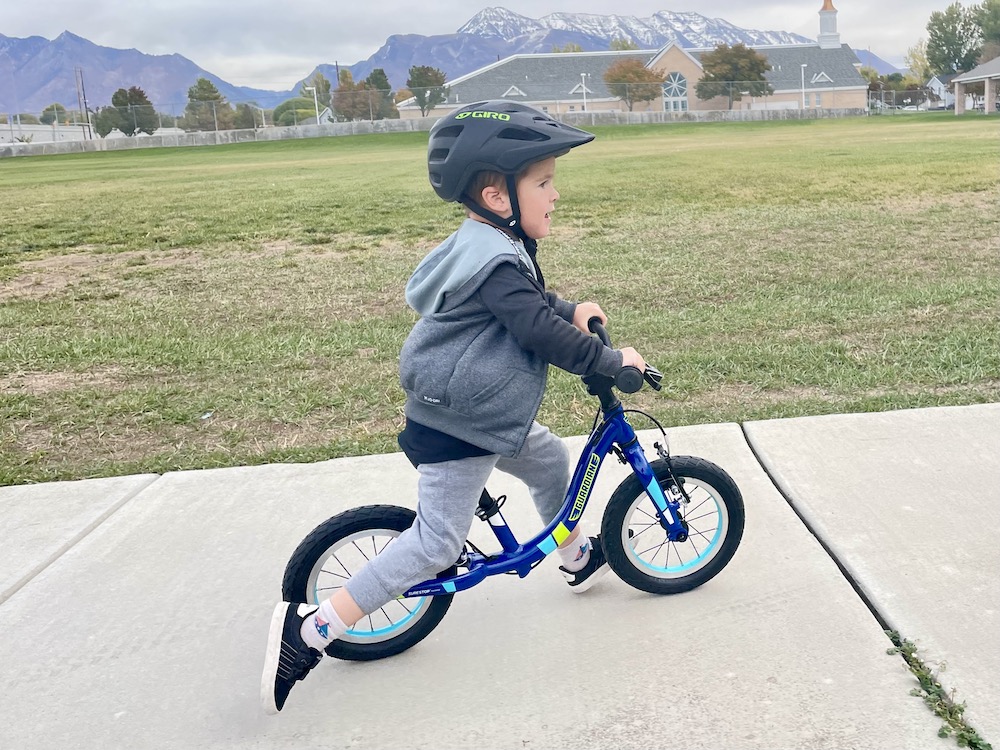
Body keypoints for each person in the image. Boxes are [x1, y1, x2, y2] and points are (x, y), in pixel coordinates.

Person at [261, 100, 646, 714]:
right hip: (460, 422)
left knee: (549, 460)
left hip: (485, 411)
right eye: (544, 182)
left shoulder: (489, 244)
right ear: (498, 196)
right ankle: (309, 633)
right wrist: (610, 362)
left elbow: (533, 299)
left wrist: (570, 306)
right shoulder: (495, 257)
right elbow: (535, 330)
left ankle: (573, 555)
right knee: (439, 543)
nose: (555, 194)